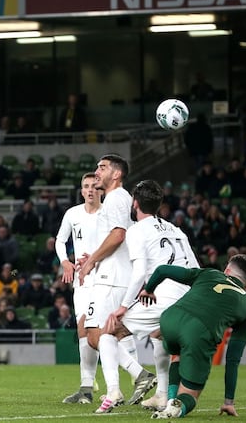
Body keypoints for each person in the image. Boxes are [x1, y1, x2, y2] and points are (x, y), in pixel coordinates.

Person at [103, 180, 198, 412]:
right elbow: (195, 269)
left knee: (107, 332)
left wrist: (123, 306)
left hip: (162, 296)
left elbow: (139, 272)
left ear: (134, 203)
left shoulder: (136, 230)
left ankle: (114, 390)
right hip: (187, 298)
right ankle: (162, 395)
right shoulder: (176, 230)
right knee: (158, 335)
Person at [77, 154, 155, 414]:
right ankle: (117, 388)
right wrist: (95, 257)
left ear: (117, 174)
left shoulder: (117, 198)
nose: (97, 172)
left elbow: (118, 235)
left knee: (96, 335)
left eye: (103, 168)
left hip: (113, 279)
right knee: (98, 335)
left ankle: (135, 376)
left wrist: (91, 262)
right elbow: (114, 236)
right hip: (111, 275)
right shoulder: (114, 199)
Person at [139, 254, 246, 418]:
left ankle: (169, 400)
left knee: (179, 353)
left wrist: (149, 290)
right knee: (191, 394)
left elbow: (162, 270)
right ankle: (176, 407)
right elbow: (233, 358)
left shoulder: (209, 273)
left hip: (170, 318)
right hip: (199, 332)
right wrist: (228, 401)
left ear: (227, 270)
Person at [57, 172, 102, 405]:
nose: (90, 190)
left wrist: (94, 258)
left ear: (101, 189)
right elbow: (59, 240)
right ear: (82, 190)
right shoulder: (72, 214)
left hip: (106, 278)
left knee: (109, 331)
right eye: (86, 186)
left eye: (95, 186)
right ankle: (86, 386)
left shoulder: (109, 214)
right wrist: (65, 261)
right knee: (83, 328)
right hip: (82, 280)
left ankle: (136, 376)